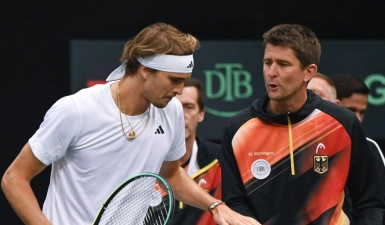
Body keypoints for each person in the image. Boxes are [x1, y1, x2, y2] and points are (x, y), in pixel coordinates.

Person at [1, 23, 260, 225]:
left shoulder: (171, 112)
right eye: (173, 80)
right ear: (145, 69)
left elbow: (170, 174)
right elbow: (15, 178)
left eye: (184, 80)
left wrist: (215, 205)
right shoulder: (76, 110)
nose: (180, 91)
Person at [219, 23, 385, 224]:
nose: (272, 72)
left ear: (309, 72)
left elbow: (368, 202)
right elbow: (234, 200)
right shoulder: (238, 129)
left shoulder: (342, 123)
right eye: (267, 62)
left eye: (283, 64)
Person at [329, 73, 385, 224]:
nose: (358, 118)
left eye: (362, 112)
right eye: (351, 110)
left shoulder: (368, 147)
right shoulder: (305, 145)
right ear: (334, 105)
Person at [171, 77, 221, 225]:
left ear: (201, 114)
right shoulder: (145, 161)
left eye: (188, 107)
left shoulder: (220, 161)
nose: (181, 115)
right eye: (174, 107)